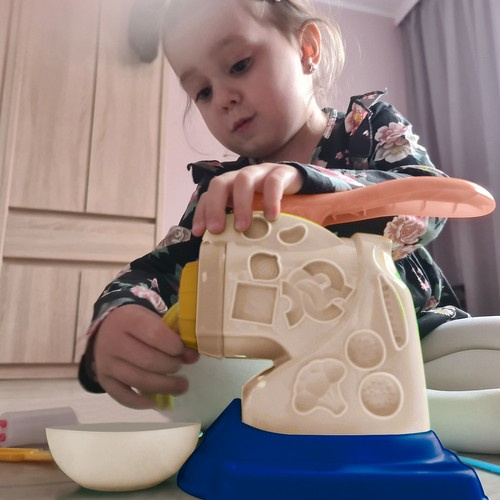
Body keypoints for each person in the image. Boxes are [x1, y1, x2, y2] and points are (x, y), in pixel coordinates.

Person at [78, 0, 498, 443]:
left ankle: (417, 414)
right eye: (202, 92)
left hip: (418, 341)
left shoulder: (366, 127)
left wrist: (312, 182)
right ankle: (409, 420)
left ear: (307, 49)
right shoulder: (221, 191)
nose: (223, 98)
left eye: (239, 65)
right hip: (286, 368)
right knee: (188, 373)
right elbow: (157, 269)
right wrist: (119, 318)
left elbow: (429, 200)